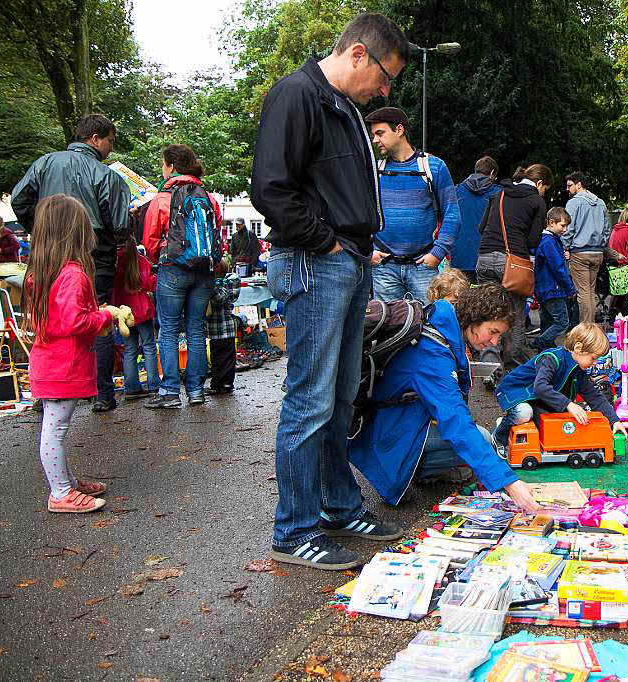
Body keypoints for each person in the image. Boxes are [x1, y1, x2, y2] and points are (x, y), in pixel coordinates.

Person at [250, 12, 410, 570]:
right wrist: (327, 245)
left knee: (341, 397)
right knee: (312, 399)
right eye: (386, 77)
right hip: (319, 263)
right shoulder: (297, 95)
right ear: (359, 54)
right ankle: (294, 530)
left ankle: (338, 506)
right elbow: (271, 188)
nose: (386, 90)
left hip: (347, 260)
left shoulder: (340, 106)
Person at [349, 283, 540, 510]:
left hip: (390, 422)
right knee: (482, 440)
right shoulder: (432, 352)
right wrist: (509, 483)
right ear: (475, 318)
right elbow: (455, 422)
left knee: (473, 449)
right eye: (493, 332)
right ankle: (406, 472)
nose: (494, 342)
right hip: (385, 434)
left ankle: (416, 471)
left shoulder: (440, 324)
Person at [11, 113, 131, 413]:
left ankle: (44, 394)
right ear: (95, 139)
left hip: (46, 253)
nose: (109, 150)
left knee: (45, 313)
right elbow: (118, 225)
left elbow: (18, 200)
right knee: (98, 314)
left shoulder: (44, 163)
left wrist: (40, 228)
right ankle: (102, 394)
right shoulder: (107, 176)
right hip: (94, 254)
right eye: (109, 142)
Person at [25, 195, 117, 513]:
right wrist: (104, 316)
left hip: (49, 361)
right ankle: (60, 491)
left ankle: (65, 481)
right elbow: (75, 321)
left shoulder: (42, 272)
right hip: (63, 366)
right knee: (55, 429)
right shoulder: (72, 274)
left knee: (55, 428)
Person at [141, 144, 222, 408]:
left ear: (172, 167)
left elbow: (150, 239)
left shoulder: (163, 198)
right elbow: (216, 232)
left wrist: (161, 259)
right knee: (196, 329)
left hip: (173, 269)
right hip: (204, 272)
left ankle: (170, 392)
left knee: (169, 330)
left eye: (163, 164)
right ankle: (197, 390)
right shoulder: (207, 197)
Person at [366, 106, 461, 302]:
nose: (375, 140)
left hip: (423, 267)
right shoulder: (375, 171)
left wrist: (437, 253)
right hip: (384, 268)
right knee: (386, 328)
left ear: (399, 130)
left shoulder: (433, 167)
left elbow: (452, 214)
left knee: (427, 325)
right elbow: (362, 215)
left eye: (380, 133)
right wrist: (368, 250)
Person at [493, 322, 628, 449]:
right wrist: (569, 404)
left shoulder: (578, 370)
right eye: (593, 358)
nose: (596, 363)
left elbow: (595, 396)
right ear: (578, 348)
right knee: (524, 412)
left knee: (553, 424)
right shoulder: (552, 358)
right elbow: (540, 387)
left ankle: (513, 420)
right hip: (516, 392)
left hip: (535, 399)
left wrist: (614, 421)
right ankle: (500, 435)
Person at [476, 164, 550, 372]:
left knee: (490, 311)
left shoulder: (498, 194)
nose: (544, 192)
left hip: (484, 258)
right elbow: (534, 240)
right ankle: (513, 363)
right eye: (545, 188)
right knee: (515, 314)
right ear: (539, 183)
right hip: (512, 263)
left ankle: (489, 363)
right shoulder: (536, 201)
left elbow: (482, 228)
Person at [113, 235, 159, 400]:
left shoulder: (115, 263)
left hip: (123, 312)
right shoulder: (141, 261)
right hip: (142, 310)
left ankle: (132, 387)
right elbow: (149, 283)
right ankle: (154, 384)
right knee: (148, 347)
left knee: (130, 348)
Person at [563, 171, 610, 324]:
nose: (567, 189)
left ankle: (587, 328)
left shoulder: (573, 203)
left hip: (580, 253)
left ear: (579, 184)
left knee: (583, 293)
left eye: (570, 185)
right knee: (590, 291)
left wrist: (564, 247)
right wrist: (601, 245)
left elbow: (568, 229)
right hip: (597, 252)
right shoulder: (601, 202)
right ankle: (590, 327)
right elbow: (607, 229)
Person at [531, 207, 577, 351]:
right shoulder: (549, 242)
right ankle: (540, 342)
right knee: (562, 322)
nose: (565, 229)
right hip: (553, 288)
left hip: (545, 288)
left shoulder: (547, 240)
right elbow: (558, 268)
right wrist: (570, 288)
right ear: (551, 222)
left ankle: (544, 349)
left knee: (547, 321)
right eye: (563, 225)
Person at [453, 156, 502, 281]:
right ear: (492, 173)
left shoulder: (457, 190)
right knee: (488, 297)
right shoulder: (499, 193)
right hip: (489, 256)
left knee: (461, 297)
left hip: (460, 254)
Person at [207, 270, 241, 395]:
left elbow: (220, 298)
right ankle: (222, 383)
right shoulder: (229, 283)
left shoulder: (227, 282)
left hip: (221, 329)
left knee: (221, 358)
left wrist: (210, 286)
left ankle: (221, 384)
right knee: (223, 358)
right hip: (223, 329)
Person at [607, 208, 628, 317]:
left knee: (616, 291)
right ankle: (624, 313)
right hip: (624, 263)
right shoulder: (627, 230)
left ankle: (613, 312)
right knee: (625, 291)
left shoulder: (615, 229)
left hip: (613, 263)